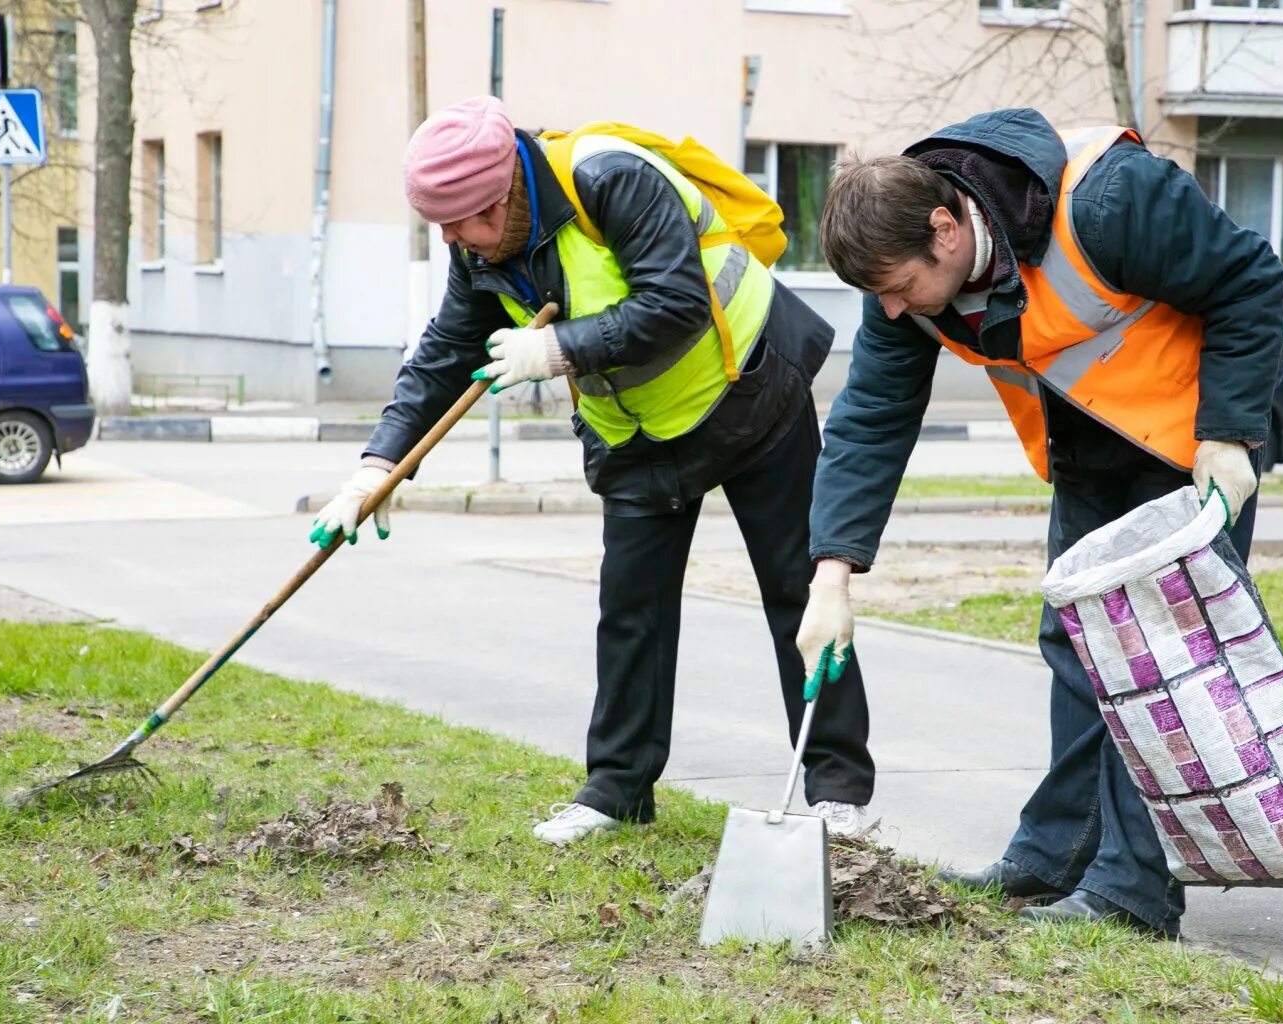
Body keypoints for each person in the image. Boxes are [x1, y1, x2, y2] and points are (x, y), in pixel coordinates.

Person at [310, 96, 875, 846]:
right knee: (630, 609)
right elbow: (447, 350)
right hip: (639, 435)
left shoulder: (610, 179)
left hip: (751, 394)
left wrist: (556, 351)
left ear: (507, 189)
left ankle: (838, 793)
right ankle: (617, 791)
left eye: (463, 222)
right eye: (441, 227)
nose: (454, 240)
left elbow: (674, 300)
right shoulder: (479, 238)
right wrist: (377, 467)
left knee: (798, 595)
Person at [793, 108, 1283, 938]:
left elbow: (1248, 279)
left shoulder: (1107, 197)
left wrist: (1231, 434)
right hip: (1088, 456)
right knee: (1077, 647)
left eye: (895, 286)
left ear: (945, 229)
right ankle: (1056, 855)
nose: (888, 308)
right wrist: (831, 575)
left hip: (1195, 453)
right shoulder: (905, 288)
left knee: (1158, 663)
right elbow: (870, 419)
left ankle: (1133, 893)